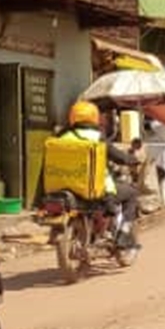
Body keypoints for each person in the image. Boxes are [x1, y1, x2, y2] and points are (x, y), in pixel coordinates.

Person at [54, 100, 141, 246]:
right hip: (95, 189)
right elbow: (118, 157)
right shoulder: (96, 137)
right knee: (132, 193)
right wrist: (132, 160)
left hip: (66, 188)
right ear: (94, 117)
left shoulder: (61, 136)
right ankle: (124, 234)